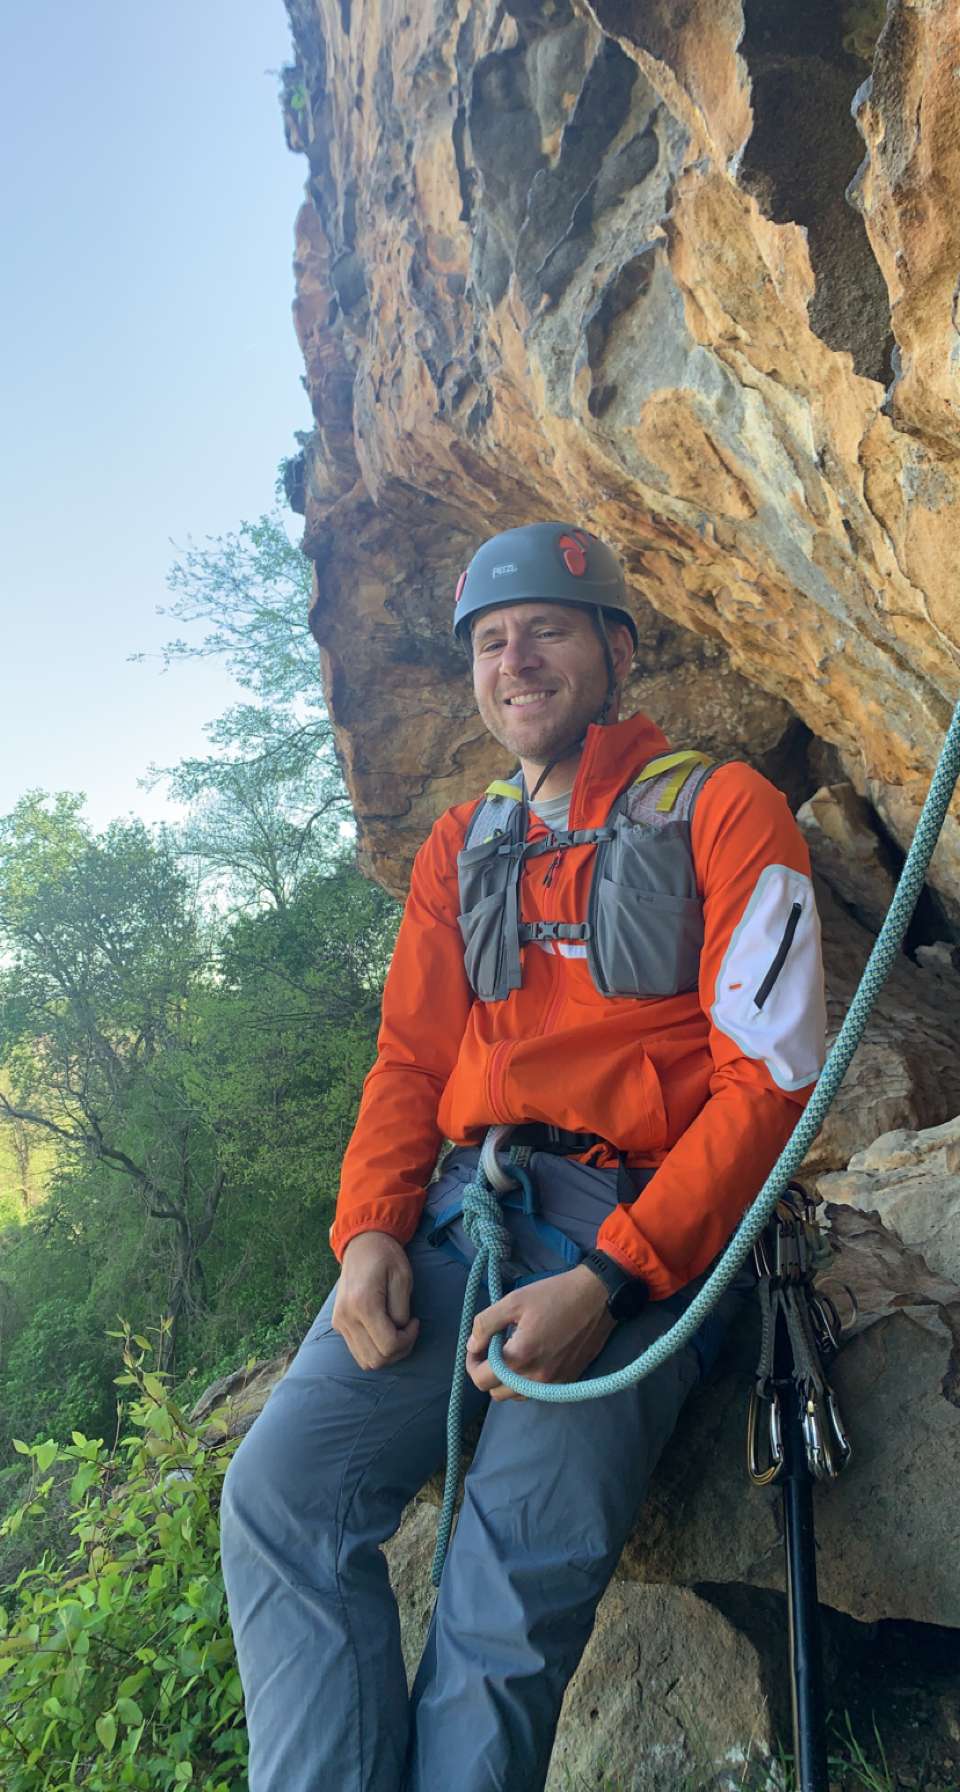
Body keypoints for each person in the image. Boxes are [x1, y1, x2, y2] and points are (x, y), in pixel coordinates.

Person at [220, 522, 826, 1792]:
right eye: (492, 642)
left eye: (547, 628)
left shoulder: (724, 809)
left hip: (637, 1233)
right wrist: (372, 1230)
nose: (516, 659)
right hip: (464, 1217)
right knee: (280, 1493)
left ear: (615, 647)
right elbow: (407, 1062)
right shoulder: (462, 847)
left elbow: (769, 1082)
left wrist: (614, 1277)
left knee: (496, 1616)